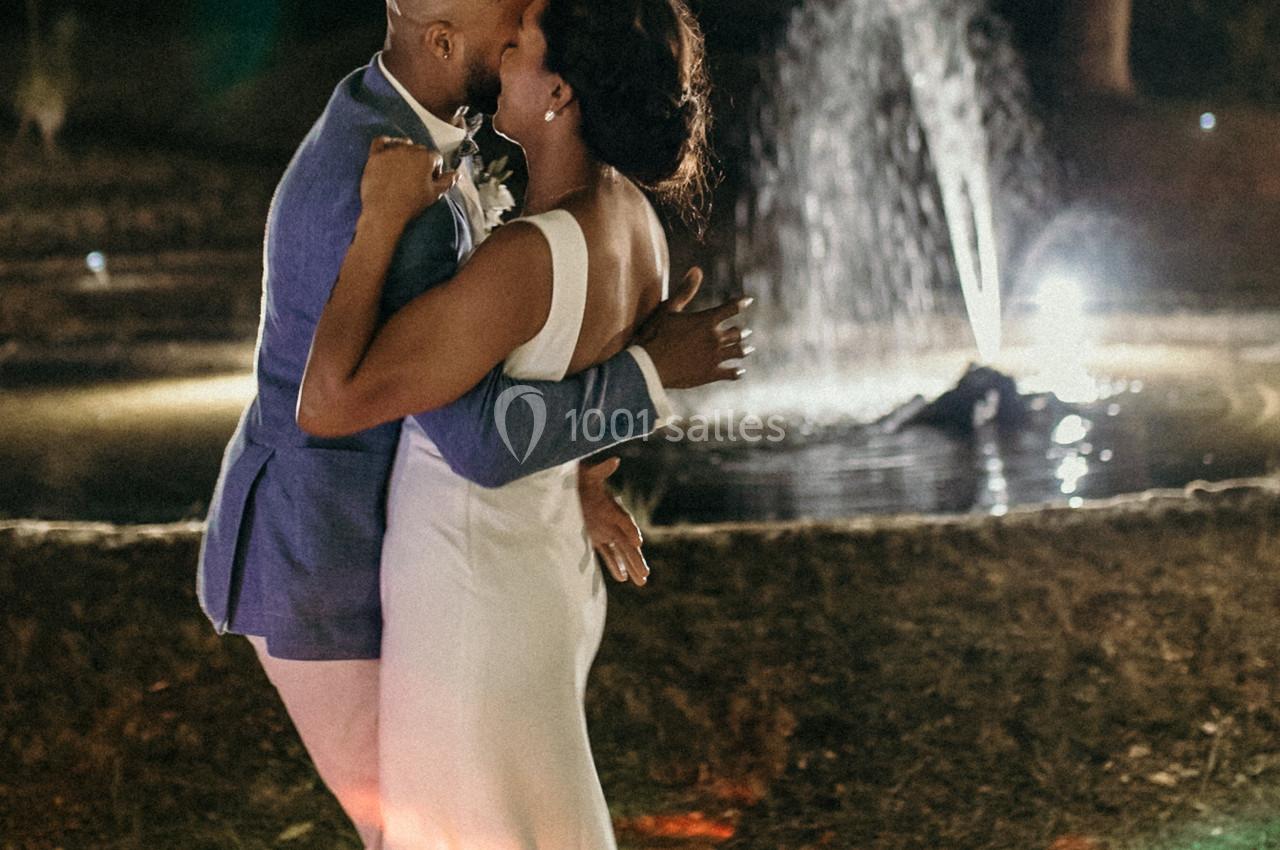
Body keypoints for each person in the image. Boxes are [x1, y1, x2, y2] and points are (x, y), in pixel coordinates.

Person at [195, 0, 750, 845]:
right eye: (513, 22)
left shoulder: (468, 162)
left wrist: (580, 473)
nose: (521, 24)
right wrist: (640, 383)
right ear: (448, 41)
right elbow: (478, 437)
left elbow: (508, 400)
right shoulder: (381, 174)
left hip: (463, 573)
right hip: (321, 553)